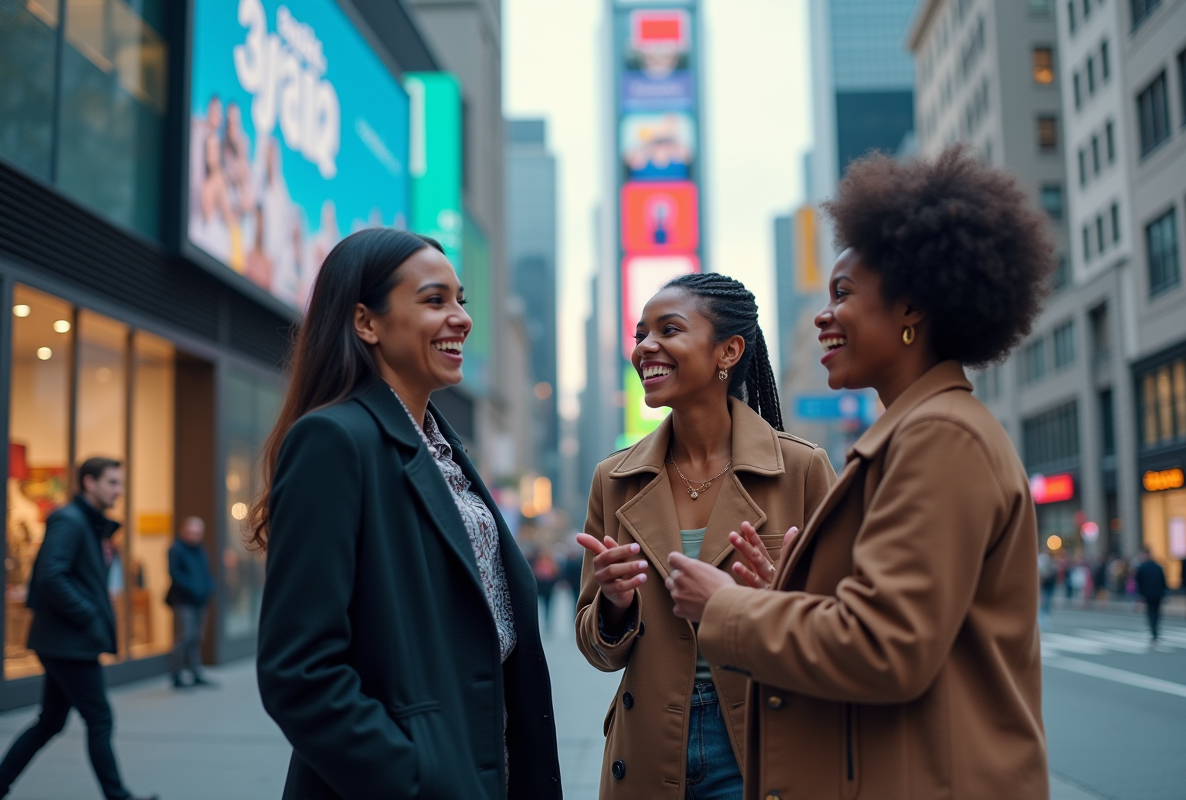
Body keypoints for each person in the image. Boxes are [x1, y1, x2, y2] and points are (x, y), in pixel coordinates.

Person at [665, 146, 1055, 799]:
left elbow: (886, 646)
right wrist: (781, 601)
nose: (824, 314)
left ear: (912, 308)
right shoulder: (921, 431)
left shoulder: (938, 437)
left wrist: (726, 608)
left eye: (843, 293)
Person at [253, 228, 560, 799]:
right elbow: (298, 672)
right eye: (434, 300)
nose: (462, 318)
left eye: (461, 300)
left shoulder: (443, 448)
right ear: (366, 322)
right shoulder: (334, 440)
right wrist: (416, 780)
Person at [575, 272, 836, 800]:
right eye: (640, 334)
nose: (646, 347)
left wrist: (771, 603)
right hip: (646, 745)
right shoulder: (614, 479)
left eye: (668, 330)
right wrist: (613, 606)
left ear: (729, 351)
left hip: (760, 741)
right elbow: (597, 650)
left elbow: (843, 627)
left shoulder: (802, 469)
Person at [0, 458, 156, 800]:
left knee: (50, 722)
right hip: (68, 641)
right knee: (99, 718)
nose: (119, 490)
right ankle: (118, 796)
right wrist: (87, 615)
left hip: (65, 640)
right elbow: (51, 575)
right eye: (112, 482)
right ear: (89, 482)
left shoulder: (86, 523)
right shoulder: (70, 520)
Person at [166, 516, 215, 689]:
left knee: (196, 637)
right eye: (192, 532)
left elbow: (206, 571)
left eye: (198, 533)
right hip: (184, 600)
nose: (195, 536)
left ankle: (196, 673)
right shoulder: (176, 549)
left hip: (201, 600)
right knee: (186, 636)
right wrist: (193, 588)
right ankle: (176, 673)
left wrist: (209, 587)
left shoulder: (201, 549)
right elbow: (175, 574)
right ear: (184, 531)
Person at [1134, 547, 1167, 642]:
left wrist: (1140, 594)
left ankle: (1153, 630)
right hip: (1158, 592)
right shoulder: (1158, 566)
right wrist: (1165, 592)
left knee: (1150, 612)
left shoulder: (1142, 567)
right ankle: (1155, 630)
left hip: (1148, 593)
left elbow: (1139, 582)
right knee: (1157, 612)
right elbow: (1163, 581)